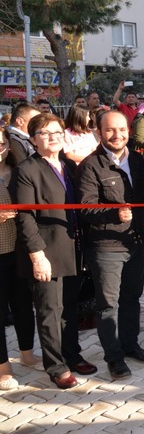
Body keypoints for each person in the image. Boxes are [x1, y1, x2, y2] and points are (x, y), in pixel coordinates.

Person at [77, 111, 144, 380]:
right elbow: (85, 208)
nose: (117, 135)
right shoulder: (90, 166)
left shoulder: (135, 159)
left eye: (122, 129)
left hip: (135, 243)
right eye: (110, 130)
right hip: (106, 247)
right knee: (107, 305)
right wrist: (114, 212)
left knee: (132, 298)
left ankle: (130, 345)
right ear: (98, 132)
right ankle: (114, 358)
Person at [10, 113, 85, 389]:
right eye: (44, 133)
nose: (52, 137)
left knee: (70, 306)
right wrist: (37, 255)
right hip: (45, 251)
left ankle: (72, 353)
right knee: (49, 310)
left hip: (71, 247)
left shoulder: (67, 166)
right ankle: (55, 366)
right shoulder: (27, 170)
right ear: (33, 139)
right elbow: (25, 216)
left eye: (56, 131)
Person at [0, 129, 40, 391]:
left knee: (24, 305)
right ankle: (3, 367)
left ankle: (26, 352)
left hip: (21, 250)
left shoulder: (18, 171)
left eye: (2, 142)